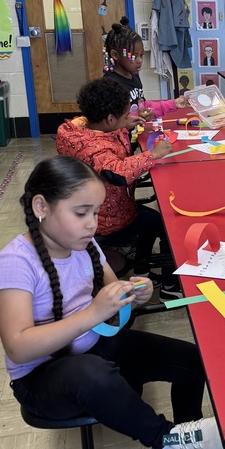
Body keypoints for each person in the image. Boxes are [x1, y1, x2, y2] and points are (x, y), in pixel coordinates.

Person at [0, 156, 225, 449]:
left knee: (191, 360)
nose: (92, 223)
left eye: (96, 212)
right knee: (92, 374)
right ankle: (166, 438)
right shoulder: (15, 263)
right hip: (41, 380)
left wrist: (132, 294)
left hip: (93, 348)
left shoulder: (85, 245)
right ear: (41, 207)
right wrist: (93, 313)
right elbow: (19, 348)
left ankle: (190, 435)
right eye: (80, 213)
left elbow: (113, 294)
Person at [56, 79, 182, 300]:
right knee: (165, 225)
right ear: (110, 119)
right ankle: (170, 288)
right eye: (125, 115)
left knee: (151, 221)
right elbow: (118, 173)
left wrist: (125, 124)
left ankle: (143, 273)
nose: (128, 117)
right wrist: (153, 154)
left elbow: (105, 137)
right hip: (106, 221)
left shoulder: (78, 130)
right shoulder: (94, 148)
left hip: (99, 210)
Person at [103, 17, 184, 120]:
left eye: (141, 55)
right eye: (133, 56)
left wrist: (173, 104)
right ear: (115, 55)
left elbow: (142, 106)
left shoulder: (134, 76)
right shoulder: (109, 84)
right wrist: (137, 115)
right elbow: (112, 121)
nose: (140, 60)